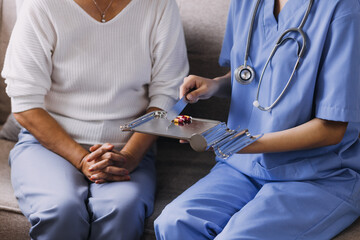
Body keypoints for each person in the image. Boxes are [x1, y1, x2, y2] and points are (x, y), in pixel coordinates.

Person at [154, 0, 360, 239]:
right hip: (242, 167)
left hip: (318, 175)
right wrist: (215, 85)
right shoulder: (246, 3)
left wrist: (239, 143)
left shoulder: (345, 9)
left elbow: (331, 128)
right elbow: (251, 73)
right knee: (174, 222)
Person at [1, 0, 188, 239]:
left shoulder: (159, 5)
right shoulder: (41, 5)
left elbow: (168, 95)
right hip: (48, 145)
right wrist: (81, 160)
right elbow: (25, 105)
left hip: (129, 146)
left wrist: (130, 157)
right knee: (61, 209)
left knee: (121, 209)